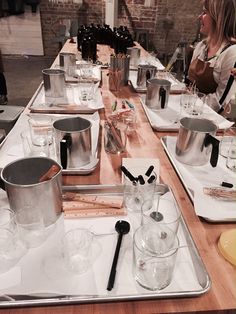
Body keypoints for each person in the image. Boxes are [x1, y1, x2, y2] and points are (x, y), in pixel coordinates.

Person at [188, 0, 236, 113]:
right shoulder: (201, 46)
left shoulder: (231, 52)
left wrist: (191, 103)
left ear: (218, 18)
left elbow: (220, 102)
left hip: (211, 122)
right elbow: (189, 85)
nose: (199, 17)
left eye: (204, 12)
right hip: (189, 111)